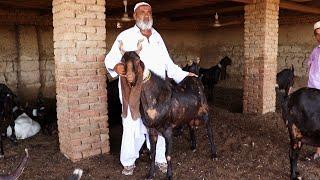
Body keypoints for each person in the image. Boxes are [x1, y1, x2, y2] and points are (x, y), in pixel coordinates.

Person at [104, 2, 197, 175]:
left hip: (158, 93)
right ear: (134, 16)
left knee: (161, 124)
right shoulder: (125, 36)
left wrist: (184, 75)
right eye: (142, 12)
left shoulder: (157, 37)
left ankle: (160, 159)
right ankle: (129, 161)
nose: (146, 15)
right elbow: (109, 59)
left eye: (149, 12)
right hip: (133, 92)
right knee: (133, 125)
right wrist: (117, 66)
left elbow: (168, 63)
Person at [307, 20, 320, 160]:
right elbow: (310, 64)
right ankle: (318, 151)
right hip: (313, 89)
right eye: (317, 34)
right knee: (316, 121)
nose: (319, 37)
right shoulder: (315, 50)